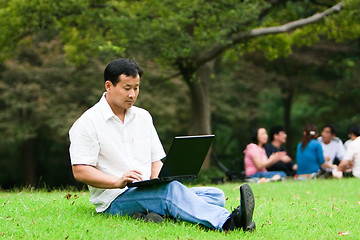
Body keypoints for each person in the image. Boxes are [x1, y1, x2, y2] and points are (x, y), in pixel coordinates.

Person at [69, 58, 255, 232]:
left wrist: (162, 181)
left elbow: (155, 162)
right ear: (108, 86)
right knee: (171, 194)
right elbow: (80, 171)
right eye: (127, 88)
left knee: (215, 195)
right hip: (115, 199)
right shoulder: (88, 122)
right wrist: (117, 181)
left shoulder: (143, 117)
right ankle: (229, 223)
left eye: (136, 88)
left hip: (145, 190)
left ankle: (155, 214)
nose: (132, 94)